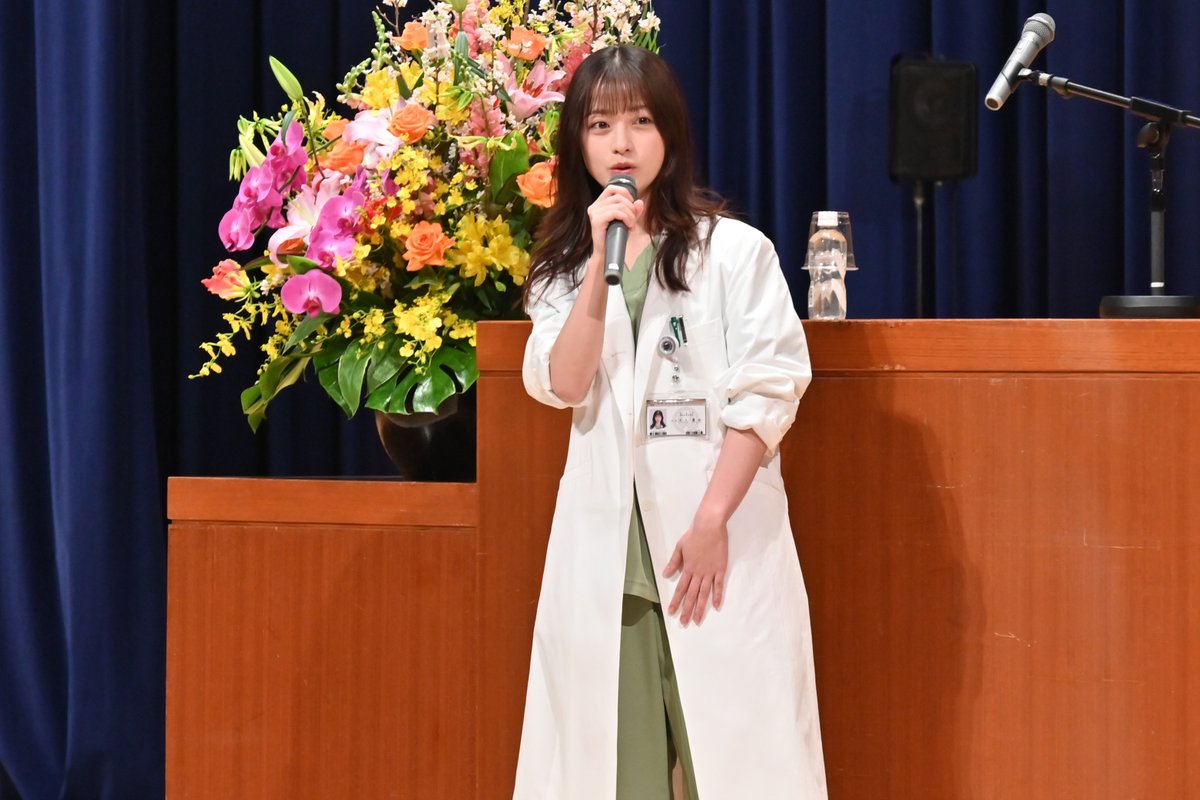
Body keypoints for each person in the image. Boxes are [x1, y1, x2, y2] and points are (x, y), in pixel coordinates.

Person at [516, 44, 827, 800]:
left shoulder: (735, 252)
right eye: (600, 125)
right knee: (616, 777)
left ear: (670, 132)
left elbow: (769, 391)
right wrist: (598, 270)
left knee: (741, 767)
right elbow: (564, 382)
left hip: (713, 545)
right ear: (577, 143)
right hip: (609, 562)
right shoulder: (565, 268)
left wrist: (713, 518)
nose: (621, 143)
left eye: (640, 121)